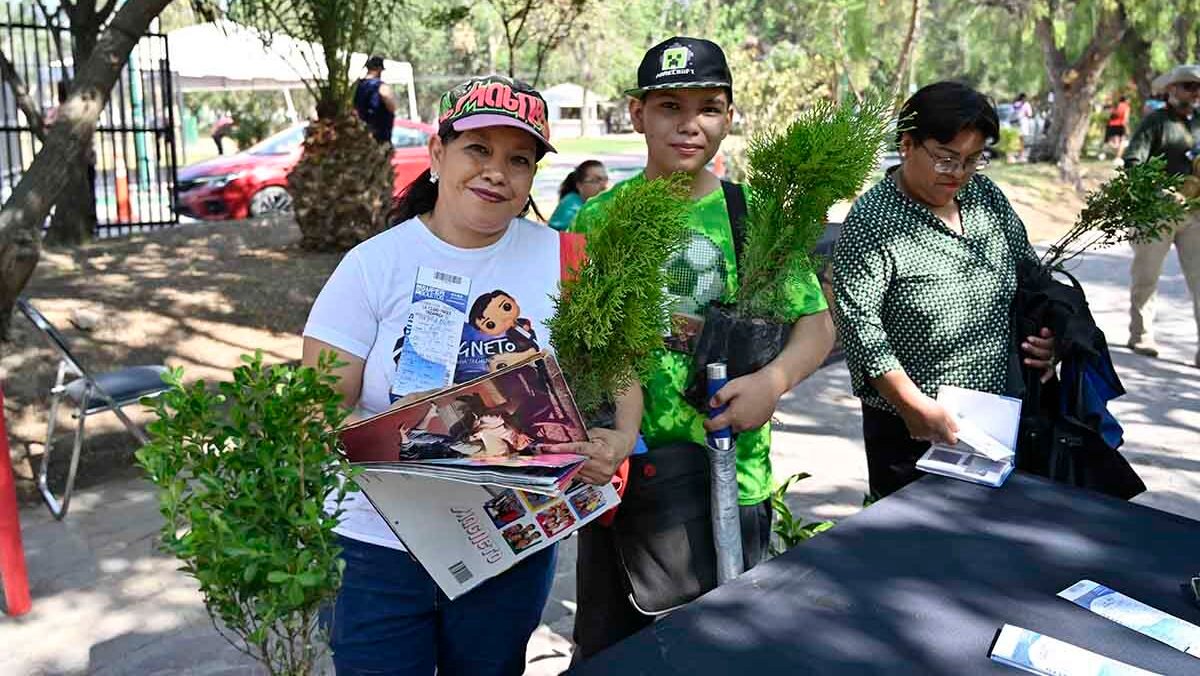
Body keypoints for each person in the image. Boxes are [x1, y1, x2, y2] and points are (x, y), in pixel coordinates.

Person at [302, 74, 642, 676]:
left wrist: (616, 439)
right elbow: (315, 404)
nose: (496, 171)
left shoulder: (566, 257)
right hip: (377, 543)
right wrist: (400, 441)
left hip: (506, 544)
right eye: (477, 150)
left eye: (518, 159)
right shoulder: (372, 265)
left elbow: (619, 375)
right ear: (437, 155)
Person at [568, 36, 835, 660]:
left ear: (730, 117)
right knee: (615, 653)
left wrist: (771, 383)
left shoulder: (754, 214)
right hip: (626, 480)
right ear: (637, 114)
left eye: (709, 108)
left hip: (733, 478)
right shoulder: (596, 220)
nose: (691, 125)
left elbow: (816, 327)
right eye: (669, 107)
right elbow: (586, 347)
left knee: (722, 652)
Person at [832, 81, 1057, 499]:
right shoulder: (873, 221)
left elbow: (1029, 274)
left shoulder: (984, 196)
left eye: (973, 160)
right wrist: (911, 404)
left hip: (998, 420)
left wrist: (1048, 340)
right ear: (907, 145)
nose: (959, 173)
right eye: (946, 159)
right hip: (911, 430)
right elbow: (859, 324)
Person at [1123, 64, 1200, 367]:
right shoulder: (1154, 122)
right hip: (1157, 212)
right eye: (1187, 86)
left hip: (1194, 214)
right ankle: (1141, 334)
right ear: (1171, 89)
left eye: (1198, 87)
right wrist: (1158, 192)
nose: (1194, 92)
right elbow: (1132, 161)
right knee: (1146, 276)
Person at [548, 160, 608, 231]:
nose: (604, 186)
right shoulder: (571, 206)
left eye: (605, 180)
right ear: (579, 185)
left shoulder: (590, 204)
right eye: (596, 180)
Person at [353, 55, 398, 144]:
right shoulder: (381, 86)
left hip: (360, 135)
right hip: (379, 136)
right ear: (379, 70)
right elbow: (392, 107)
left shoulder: (356, 86)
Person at [1105, 95, 1131, 162]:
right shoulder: (1126, 106)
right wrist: (1127, 128)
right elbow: (1126, 119)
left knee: (1115, 143)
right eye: (1128, 100)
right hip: (1121, 125)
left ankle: (1117, 157)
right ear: (1126, 100)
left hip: (1112, 125)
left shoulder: (1116, 105)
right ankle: (1118, 158)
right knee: (1123, 142)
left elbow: (1111, 114)